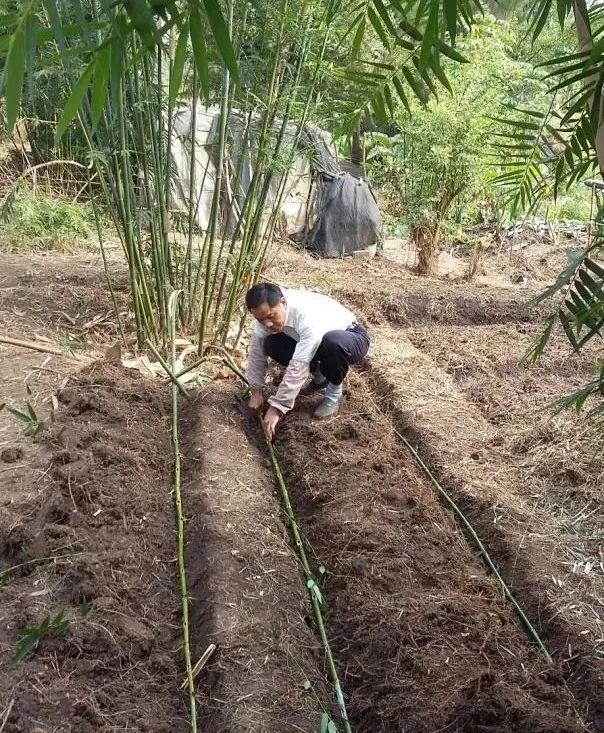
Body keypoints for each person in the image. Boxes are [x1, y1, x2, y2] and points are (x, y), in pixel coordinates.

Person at [245, 282, 370, 439]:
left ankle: (333, 395)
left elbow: (298, 367)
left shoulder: (304, 316)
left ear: (282, 302)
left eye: (271, 317)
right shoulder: (265, 318)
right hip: (313, 342)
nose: (267, 324)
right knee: (271, 343)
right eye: (261, 320)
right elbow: (256, 355)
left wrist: (277, 407)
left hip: (350, 336)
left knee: (332, 344)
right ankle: (320, 378)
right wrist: (256, 391)